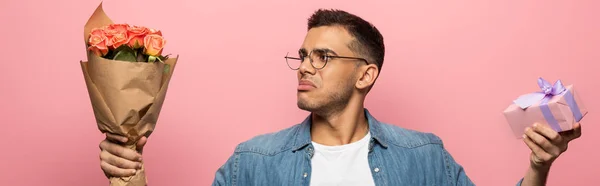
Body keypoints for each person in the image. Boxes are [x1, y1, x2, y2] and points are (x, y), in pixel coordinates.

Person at [98, 9, 583, 186]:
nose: (306, 65)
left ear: (365, 74)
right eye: (303, 55)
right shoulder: (253, 164)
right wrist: (133, 176)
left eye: (324, 56)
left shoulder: (424, 156)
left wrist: (539, 167)